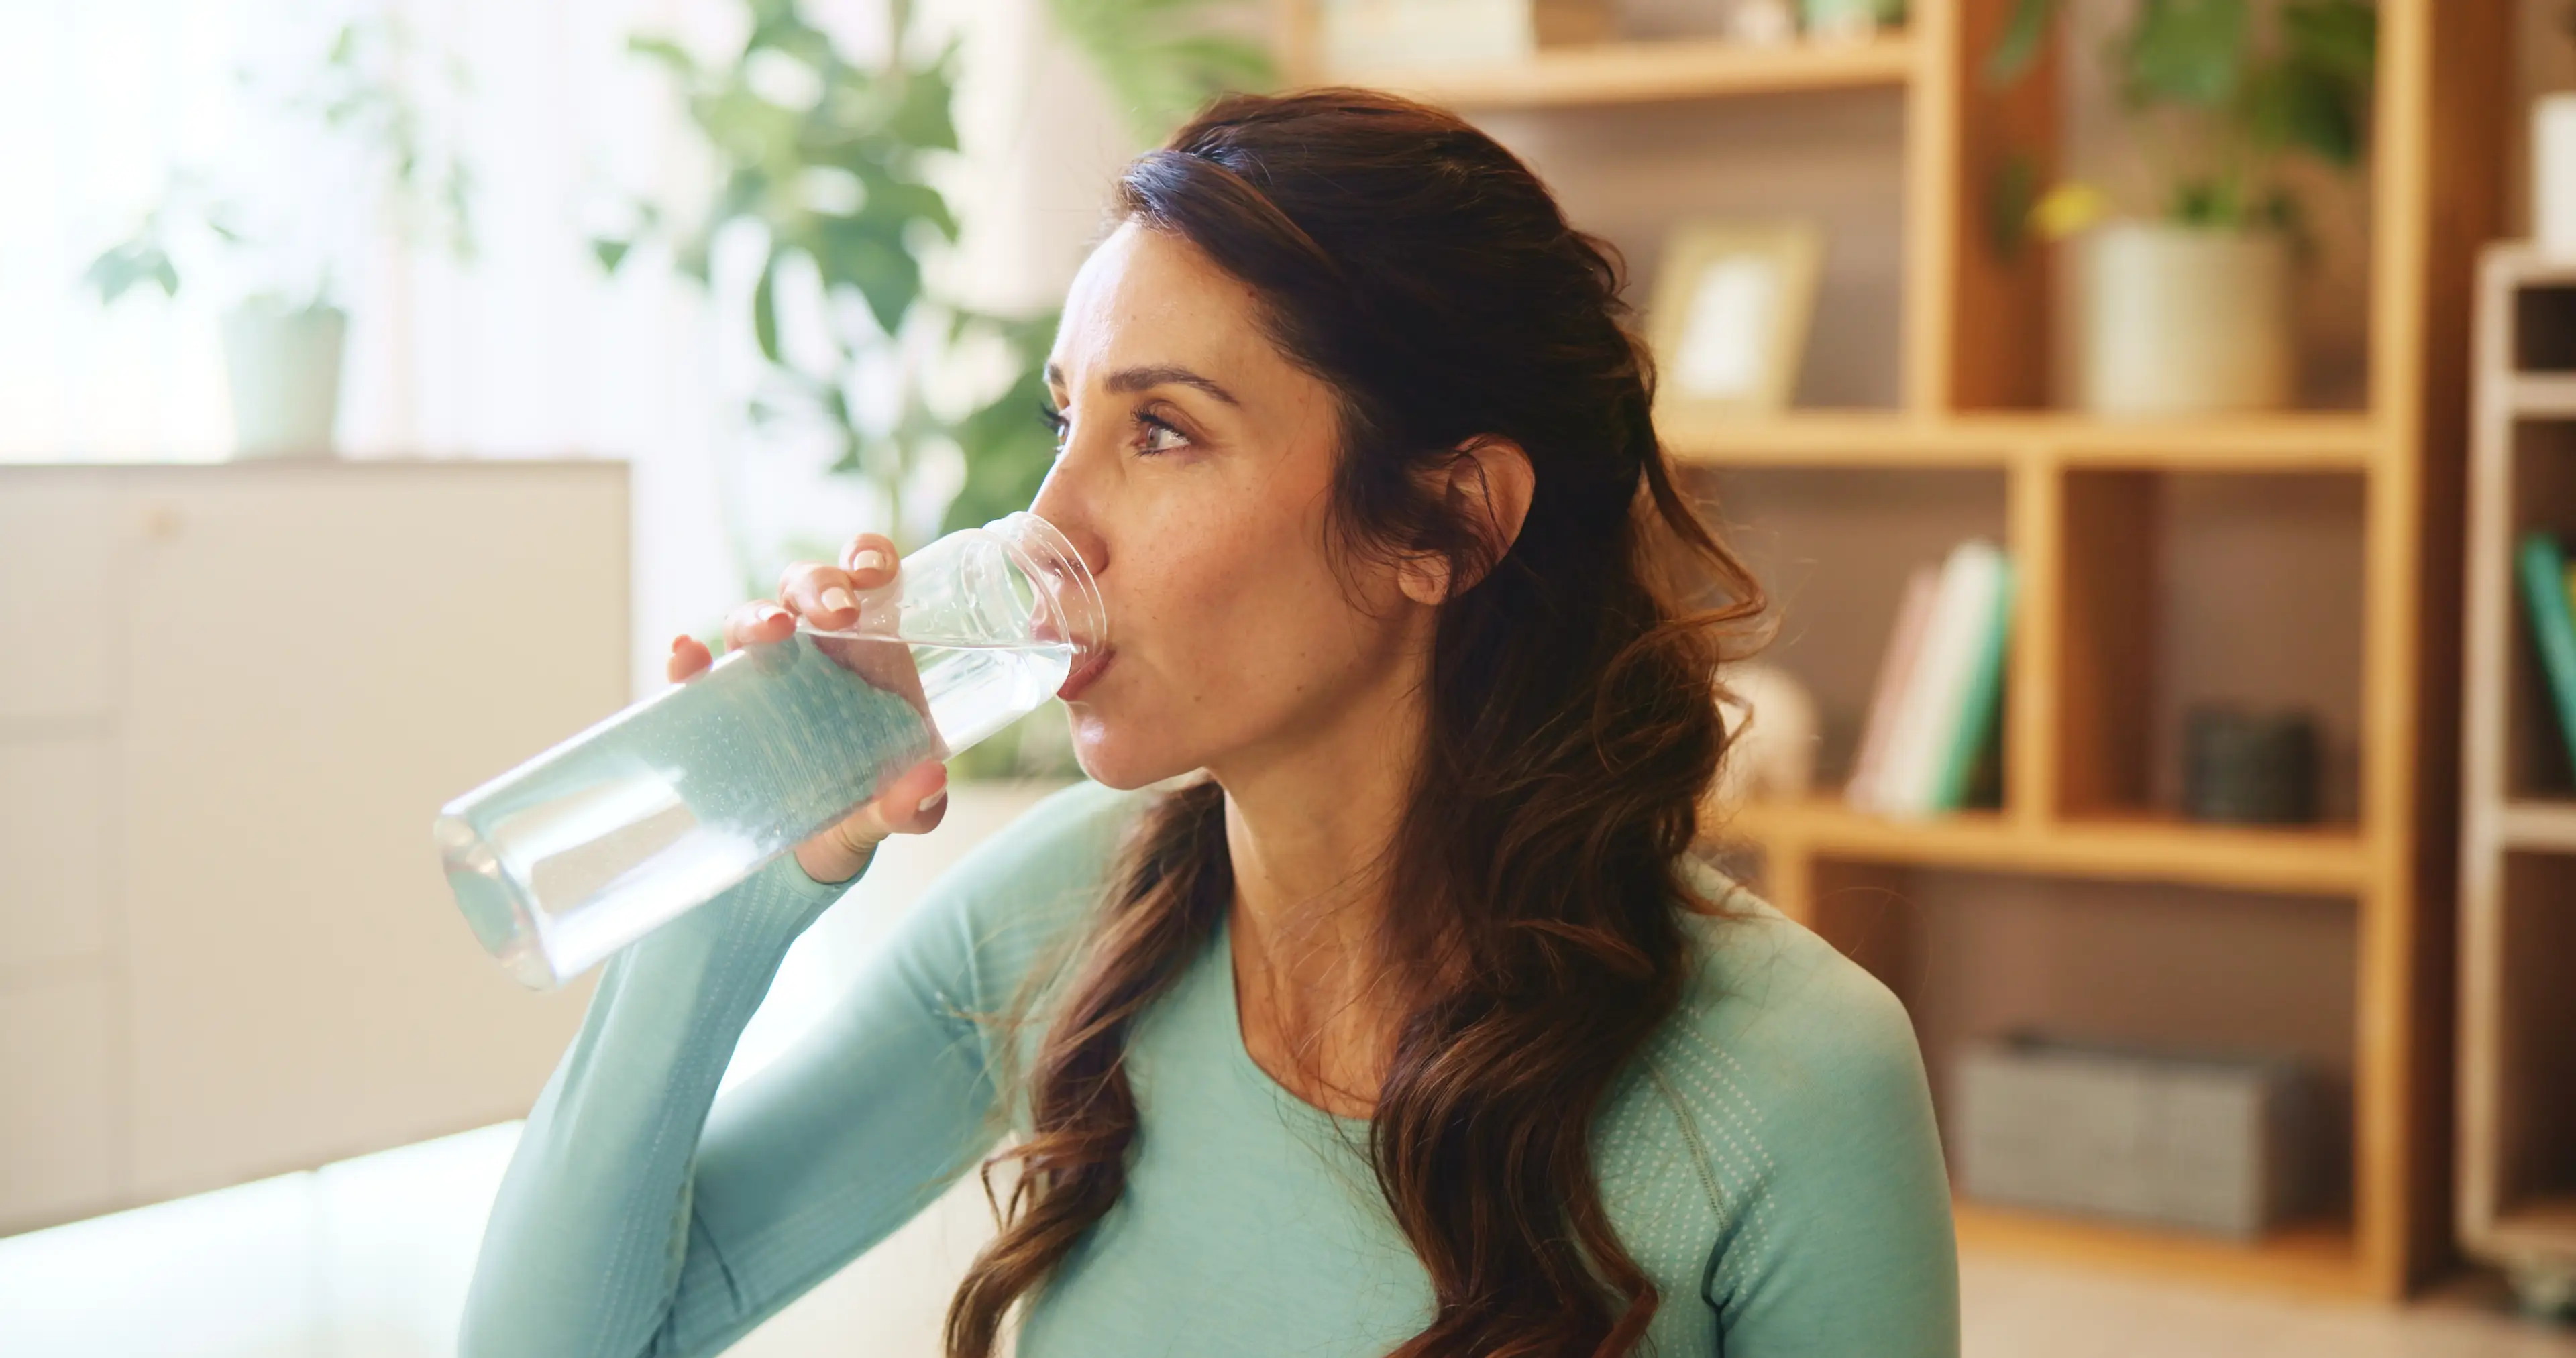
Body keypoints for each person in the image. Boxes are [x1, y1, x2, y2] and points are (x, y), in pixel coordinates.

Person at [460, 88, 1957, 1358]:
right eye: (1066, 420)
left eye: (1163, 431)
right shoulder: (1067, 909)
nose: (1049, 527)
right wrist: (743, 851)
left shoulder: (1791, 1084)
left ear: (1447, 519)